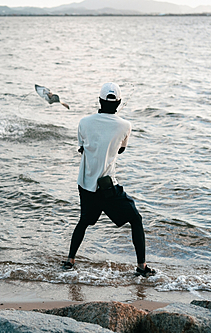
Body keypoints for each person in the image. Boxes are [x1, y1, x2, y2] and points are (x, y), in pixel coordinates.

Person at [62, 82, 156, 277]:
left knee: (84, 222)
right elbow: (121, 149)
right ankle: (142, 267)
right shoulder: (125, 126)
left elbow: (81, 148)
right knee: (136, 219)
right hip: (107, 188)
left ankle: (70, 260)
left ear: (100, 100)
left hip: (86, 185)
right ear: (119, 102)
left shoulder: (84, 122)